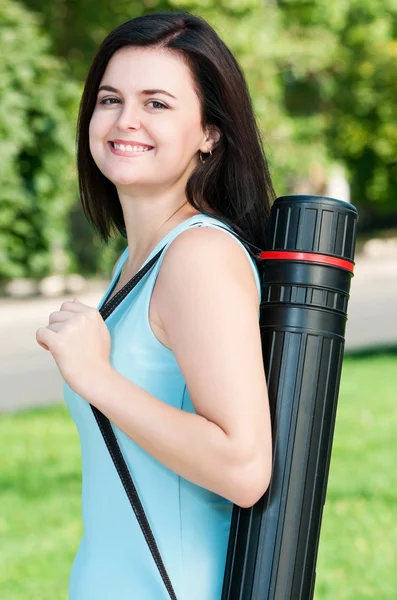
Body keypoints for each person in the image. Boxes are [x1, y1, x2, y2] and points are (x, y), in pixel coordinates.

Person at [36, 10, 274, 600]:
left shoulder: (199, 257)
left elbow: (244, 469)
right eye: (110, 99)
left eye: (157, 104)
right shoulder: (137, 262)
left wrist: (96, 377)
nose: (126, 120)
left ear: (209, 133)